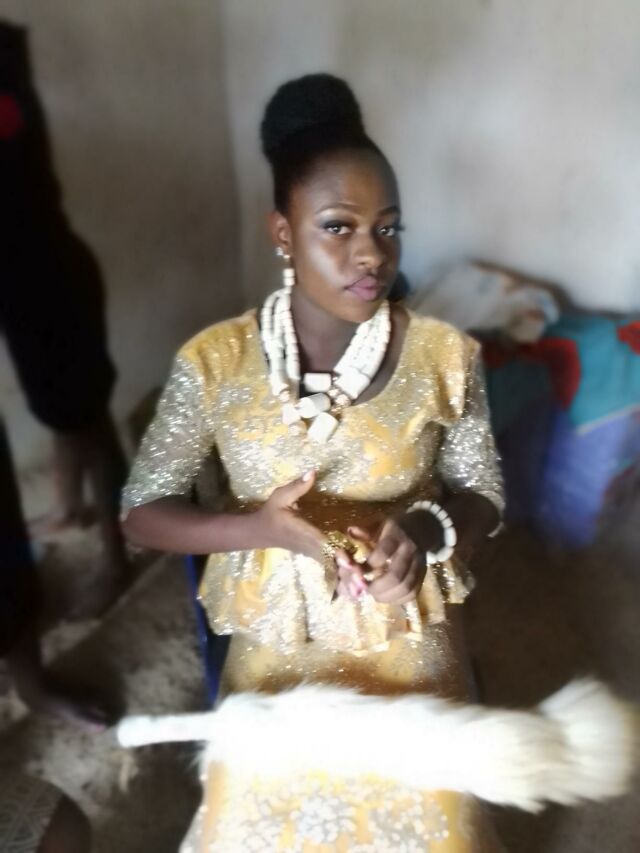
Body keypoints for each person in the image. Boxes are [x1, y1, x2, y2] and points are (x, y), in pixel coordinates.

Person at [122, 74, 505, 850]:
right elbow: (142, 513)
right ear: (282, 232)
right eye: (338, 227)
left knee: (428, 822)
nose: (372, 254)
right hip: (277, 649)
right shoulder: (216, 363)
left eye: (388, 228)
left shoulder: (444, 357)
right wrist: (261, 528)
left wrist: (424, 531)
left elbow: (483, 491)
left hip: (405, 636)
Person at [1, 20, 130, 618]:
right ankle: (68, 508)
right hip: (28, 282)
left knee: (88, 422)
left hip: (47, 280)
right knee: (58, 407)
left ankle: (117, 560)